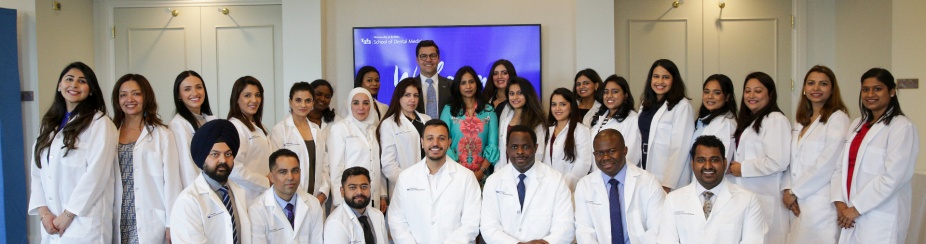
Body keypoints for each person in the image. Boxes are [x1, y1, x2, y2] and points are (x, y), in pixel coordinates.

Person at [29, 62, 118, 243]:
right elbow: (37, 172)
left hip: (84, 224)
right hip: (51, 223)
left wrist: (68, 214)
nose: (74, 85)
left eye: (82, 81)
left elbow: (97, 174)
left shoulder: (100, 123)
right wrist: (44, 213)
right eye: (69, 79)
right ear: (59, 85)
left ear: (91, 90)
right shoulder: (49, 124)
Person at [832, 68, 919, 243]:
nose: (870, 94)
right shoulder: (858, 124)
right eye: (865, 89)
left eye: (877, 89)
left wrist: (856, 209)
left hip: (879, 215)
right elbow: (841, 167)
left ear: (892, 91)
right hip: (848, 212)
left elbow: (893, 177)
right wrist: (839, 203)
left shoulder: (901, 127)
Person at [110, 74, 182, 243]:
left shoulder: (162, 135)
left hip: (150, 219)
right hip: (118, 216)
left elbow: (172, 183)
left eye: (136, 93)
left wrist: (171, 223)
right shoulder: (110, 133)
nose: (129, 99)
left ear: (146, 97)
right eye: (123, 95)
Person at [781, 66, 849, 244]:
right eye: (811, 83)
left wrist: (795, 192)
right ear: (804, 88)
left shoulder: (838, 118)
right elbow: (790, 160)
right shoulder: (801, 120)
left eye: (823, 84)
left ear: (832, 89)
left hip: (820, 202)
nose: (816, 88)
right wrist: (787, 189)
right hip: (796, 201)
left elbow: (827, 163)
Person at [658, 135, 766, 244]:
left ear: (724, 163)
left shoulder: (748, 200)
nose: (708, 166)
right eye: (701, 160)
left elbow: (753, 240)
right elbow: (667, 241)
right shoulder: (673, 200)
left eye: (714, 160)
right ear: (692, 165)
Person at [388, 119, 482, 243]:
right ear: (422, 142)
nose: (435, 143)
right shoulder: (406, 177)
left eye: (441, 138)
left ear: (449, 142)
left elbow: (471, 222)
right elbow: (397, 220)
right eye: (430, 138)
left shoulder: (466, 178)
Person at [480, 125, 574, 244]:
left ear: (535, 148)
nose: (520, 152)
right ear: (507, 149)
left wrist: (545, 242)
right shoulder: (493, 181)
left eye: (526, 146)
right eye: (514, 147)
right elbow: (488, 226)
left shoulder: (556, 180)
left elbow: (565, 225)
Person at [729, 71, 791, 244]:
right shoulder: (749, 120)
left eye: (758, 91)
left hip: (766, 195)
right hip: (748, 194)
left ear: (770, 94)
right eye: (747, 91)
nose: (751, 95)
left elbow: (778, 161)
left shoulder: (775, 120)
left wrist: (742, 168)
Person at [575, 129, 665, 243]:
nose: (605, 157)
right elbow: (584, 230)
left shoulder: (649, 182)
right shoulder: (584, 185)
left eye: (612, 151)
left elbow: (656, 228)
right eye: (599, 153)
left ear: (625, 151)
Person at [170, 120, 252, 243]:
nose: (223, 160)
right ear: (203, 158)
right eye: (215, 154)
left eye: (228, 154)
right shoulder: (188, 201)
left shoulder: (239, 192)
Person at [637, 59, 695, 192]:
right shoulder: (646, 104)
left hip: (667, 179)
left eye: (666, 77)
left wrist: (668, 183)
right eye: (656, 76)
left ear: (674, 80)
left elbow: (680, 148)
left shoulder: (682, 106)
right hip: (645, 169)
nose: (660, 82)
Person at [270, 82, 329, 205]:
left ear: (313, 103)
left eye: (308, 101)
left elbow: (324, 165)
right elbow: (277, 168)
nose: (303, 105)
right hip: (290, 199)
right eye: (298, 100)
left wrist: (323, 193)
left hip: (317, 199)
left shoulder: (316, 130)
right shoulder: (280, 130)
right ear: (290, 102)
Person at [249, 149, 325, 243]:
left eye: (295, 171)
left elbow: (317, 241)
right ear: (271, 177)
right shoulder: (257, 210)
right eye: (283, 172)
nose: (290, 177)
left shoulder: (314, 204)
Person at [328, 88, 386, 211]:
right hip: (350, 195)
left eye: (366, 103)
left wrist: (382, 195)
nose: (361, 107)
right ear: (350, 105)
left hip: (372, 194)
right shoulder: (340, 128)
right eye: (356, 103)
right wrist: (339, 200)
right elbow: (336, 167)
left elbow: (378, 165)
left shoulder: (375, 130)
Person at [440, 66, 499, 182]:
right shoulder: (448, 110)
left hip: (482, 176)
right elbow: (443, 142)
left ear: (477, 84)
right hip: (454, 174)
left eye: (471, 82)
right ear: (458, 86)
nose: (468, 86)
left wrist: (481, 172)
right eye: (463, 83)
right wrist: (460, 169)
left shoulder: (489, 111)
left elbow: (493, 145)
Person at [378, 78, 431, 195]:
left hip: (429, 181)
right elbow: (388, 164)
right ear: (399, 97)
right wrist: (409, 182)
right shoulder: (389, 124)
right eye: (407, 95)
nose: (412, 99)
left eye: (416, 95)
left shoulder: (427, 120)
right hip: (404, 187)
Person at [227, 76, 272, 201]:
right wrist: (265, 181)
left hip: (263, 194)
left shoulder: (259, 126)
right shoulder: (235, 127)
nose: (254, 100)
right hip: (246, 195)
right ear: (236, 99)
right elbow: (234, 168)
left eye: (258, 95)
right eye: (247, 95)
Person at [169, 70, 217, 187]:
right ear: (179, 95)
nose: (195, 93)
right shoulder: (178, 124)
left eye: (199, 87)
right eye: (187, 89)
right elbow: (187, 167)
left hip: (216, 184)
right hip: (197, 189)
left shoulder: (211, 120)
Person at [543, 88, 592, 190]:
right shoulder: (548, 130)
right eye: (554, 104)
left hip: (570, 188)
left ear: (571, 107)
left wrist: (564, 185)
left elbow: (583, 163)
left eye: (562, 104)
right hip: (548, 186)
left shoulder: (581, 130)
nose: (557, 108)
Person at [588, 75, 642, 168]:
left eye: (615, 92)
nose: (609, 96)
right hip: (597, 174)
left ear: (625, 95)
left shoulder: (633, 119)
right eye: (606, 92)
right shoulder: (600, 117)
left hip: (619, 174)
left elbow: (631, 154)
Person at [324, 167, 388, 244]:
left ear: (370, 188)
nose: (359, 192)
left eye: (364, 187)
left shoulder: (378, 215)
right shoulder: (335, 223)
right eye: (353, 187)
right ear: (342, 191)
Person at [497, 77, 547, 171]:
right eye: (511, 94)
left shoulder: (536, 121)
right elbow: (502, 152)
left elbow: (539, 154)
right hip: (506, 173)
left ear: (527, 95)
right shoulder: (505, 121)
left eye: (520, 93)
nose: (515, 97)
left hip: (527, 173)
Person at [690, 74, 737, 163]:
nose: (710, 96)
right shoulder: (706, 120)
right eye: (706, 92)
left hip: (710, 175)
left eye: (717, 93)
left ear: (727, 97)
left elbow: (720, 162)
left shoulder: (725, 124)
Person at [414, 40, 452, 119]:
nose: (428, 60)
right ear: (417, 60)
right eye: (423, 56)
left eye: (433, 55)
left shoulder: (452, 86)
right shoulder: (408, 86)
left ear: (438, 59)